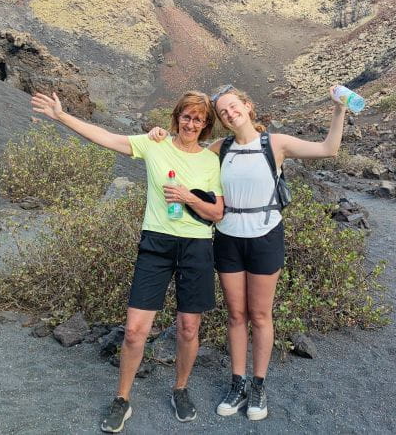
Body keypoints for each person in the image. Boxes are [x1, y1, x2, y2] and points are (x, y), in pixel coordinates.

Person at [148, 84, 347, 421]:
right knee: (236, 315)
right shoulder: (219, 147)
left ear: (247, 106)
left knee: (260, 315)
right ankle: (237, 382)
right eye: (223, 112)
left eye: (233, 106)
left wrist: (340, 109)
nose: (229, 113)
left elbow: (329, 149)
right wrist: (160, 136)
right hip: (227, 237)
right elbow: (185, 150)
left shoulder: (275, 143)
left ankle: (258, 384)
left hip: (265, 236)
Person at [30, 90, 224, 433]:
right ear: (177, 117)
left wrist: (187, 197)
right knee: (135, 331)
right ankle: (122, 399)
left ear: (206, 124)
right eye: (186, 116)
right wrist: (62, 116)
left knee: (189, 327)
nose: (191, 123)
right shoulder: (155, 145)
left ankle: (180, 388)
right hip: (156, 243)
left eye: (198, 119)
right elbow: (106, 137)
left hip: (196, 246)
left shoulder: (210, 161)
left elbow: (217, 213)